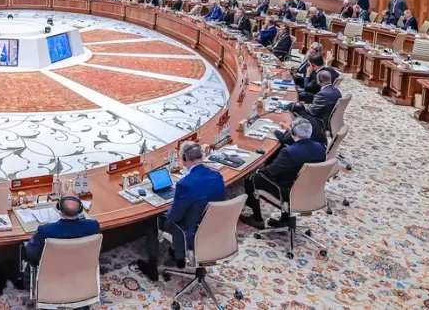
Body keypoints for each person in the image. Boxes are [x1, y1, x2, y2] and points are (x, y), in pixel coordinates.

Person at [136, 143, 225, 281]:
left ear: (184, 158)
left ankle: (152, 267)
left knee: (153, 220)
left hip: (191, 233)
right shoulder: (217, 176)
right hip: (214, 228)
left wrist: (166, 212)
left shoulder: (185, 184)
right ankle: (178, 256)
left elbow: (174, 217)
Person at [239, 118, 326, 230]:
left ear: (292, 134)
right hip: (311, 191)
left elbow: (270, 172)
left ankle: (257, 219)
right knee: (287, 175)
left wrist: (257, 170)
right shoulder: (320, 147)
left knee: (252, 177)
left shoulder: (289, 152)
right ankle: (286, 219)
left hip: (288, 193)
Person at [22, 195, 100, 270]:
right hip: (82, 273)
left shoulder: (45, 231)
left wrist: (42, 229)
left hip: (51, 276)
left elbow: (30, 255)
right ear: (80, 209)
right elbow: (98, 249)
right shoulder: (93, 226)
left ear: (59, 207)